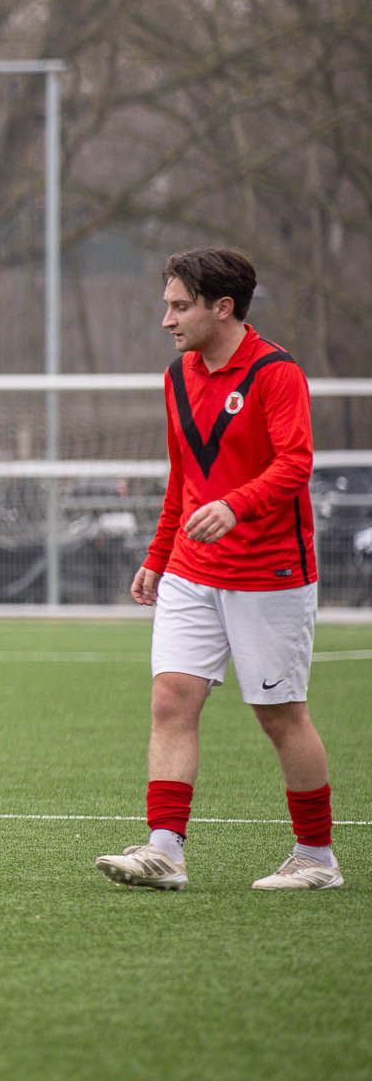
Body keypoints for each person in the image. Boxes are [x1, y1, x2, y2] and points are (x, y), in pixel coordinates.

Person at [96, 247, 338, 891]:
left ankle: (317, 858)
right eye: (167, 306)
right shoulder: (178, 376)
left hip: (269, 572)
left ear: (222, 307)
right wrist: (158, 556)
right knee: (171, 699)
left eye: (180, 307)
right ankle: (164, 851)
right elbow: (184, 477)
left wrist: (235, 506)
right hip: (191, 569)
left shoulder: (276, 373)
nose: (167, 320)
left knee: (280, 715)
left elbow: (295, 464)